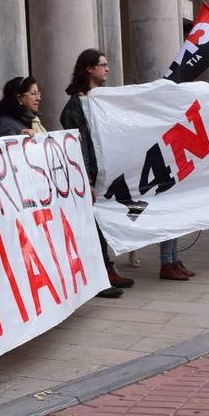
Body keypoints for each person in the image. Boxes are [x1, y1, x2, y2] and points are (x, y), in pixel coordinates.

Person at [59, 50, 131, 295]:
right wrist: (87, 177)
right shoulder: (75, 107)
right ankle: (101, 275)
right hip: (92, 176)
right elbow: (80, 146)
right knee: (94, 225)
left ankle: (107, 268)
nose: (107, 69)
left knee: (104, 222)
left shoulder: (100, 99)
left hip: (106, 172)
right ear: (89, 69)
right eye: (103, 65)